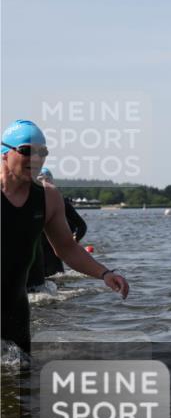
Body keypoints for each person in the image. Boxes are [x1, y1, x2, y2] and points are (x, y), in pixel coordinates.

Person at [2, 120, 129, 354]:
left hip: (14, 310)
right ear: (4, 152)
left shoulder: (48, 198)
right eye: (27, 151)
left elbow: (67, 249)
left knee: (22, 381)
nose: (36, 158)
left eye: (43, 152)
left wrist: (105, 273)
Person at [26, 168, 88, 291]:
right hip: (34, 255)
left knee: (56, 286)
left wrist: (73, 241)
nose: (44, 185)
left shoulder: (58, 201)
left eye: (47, 181)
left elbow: (81, 225)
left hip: (54, 252)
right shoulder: (25, 201)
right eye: (40, 181)